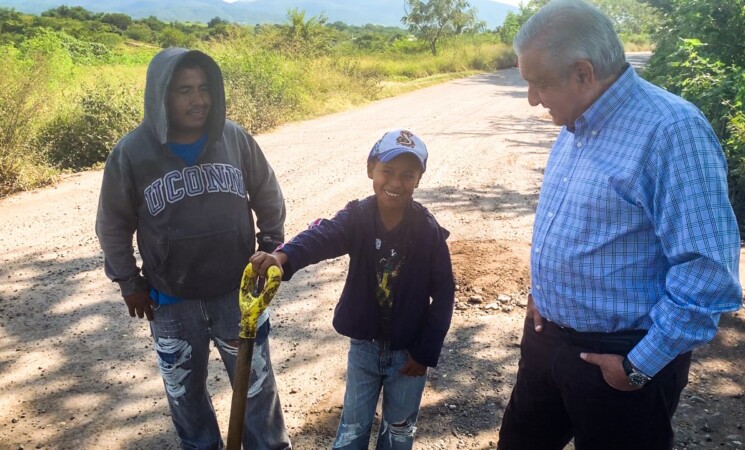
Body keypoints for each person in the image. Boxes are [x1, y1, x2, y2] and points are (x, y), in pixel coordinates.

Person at [498, 1, 743, 449]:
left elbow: (708, 271)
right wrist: (544, 293)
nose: (532, 98)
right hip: (546, 342)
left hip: (621, 359)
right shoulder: (575, 121)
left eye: (538, 83)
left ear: (583, 73)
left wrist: (638, 364)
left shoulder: (671, 130)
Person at [95, 47, 291, 450]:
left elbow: (268, 196)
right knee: (185, 395)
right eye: (184, 89)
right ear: (161, 95)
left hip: (238, 294)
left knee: (256, 388)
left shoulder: (234, 138)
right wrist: (128, 280)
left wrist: (271, 245)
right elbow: (113, 224)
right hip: (170, 301)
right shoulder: (131, 152)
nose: (197, 99)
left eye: (204, 88)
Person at [250, 129, 455, 450]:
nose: (396, 183)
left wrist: (425, 351)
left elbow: (444, 293)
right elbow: (322, 235)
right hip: (365, 348)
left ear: (419, 179)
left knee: (400, 430)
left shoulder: (427, 230)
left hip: (409, 352)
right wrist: (282, 256)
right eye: (387, 171)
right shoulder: (358, 217)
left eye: (407, 175)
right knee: (353, 426)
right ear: (371, 169)